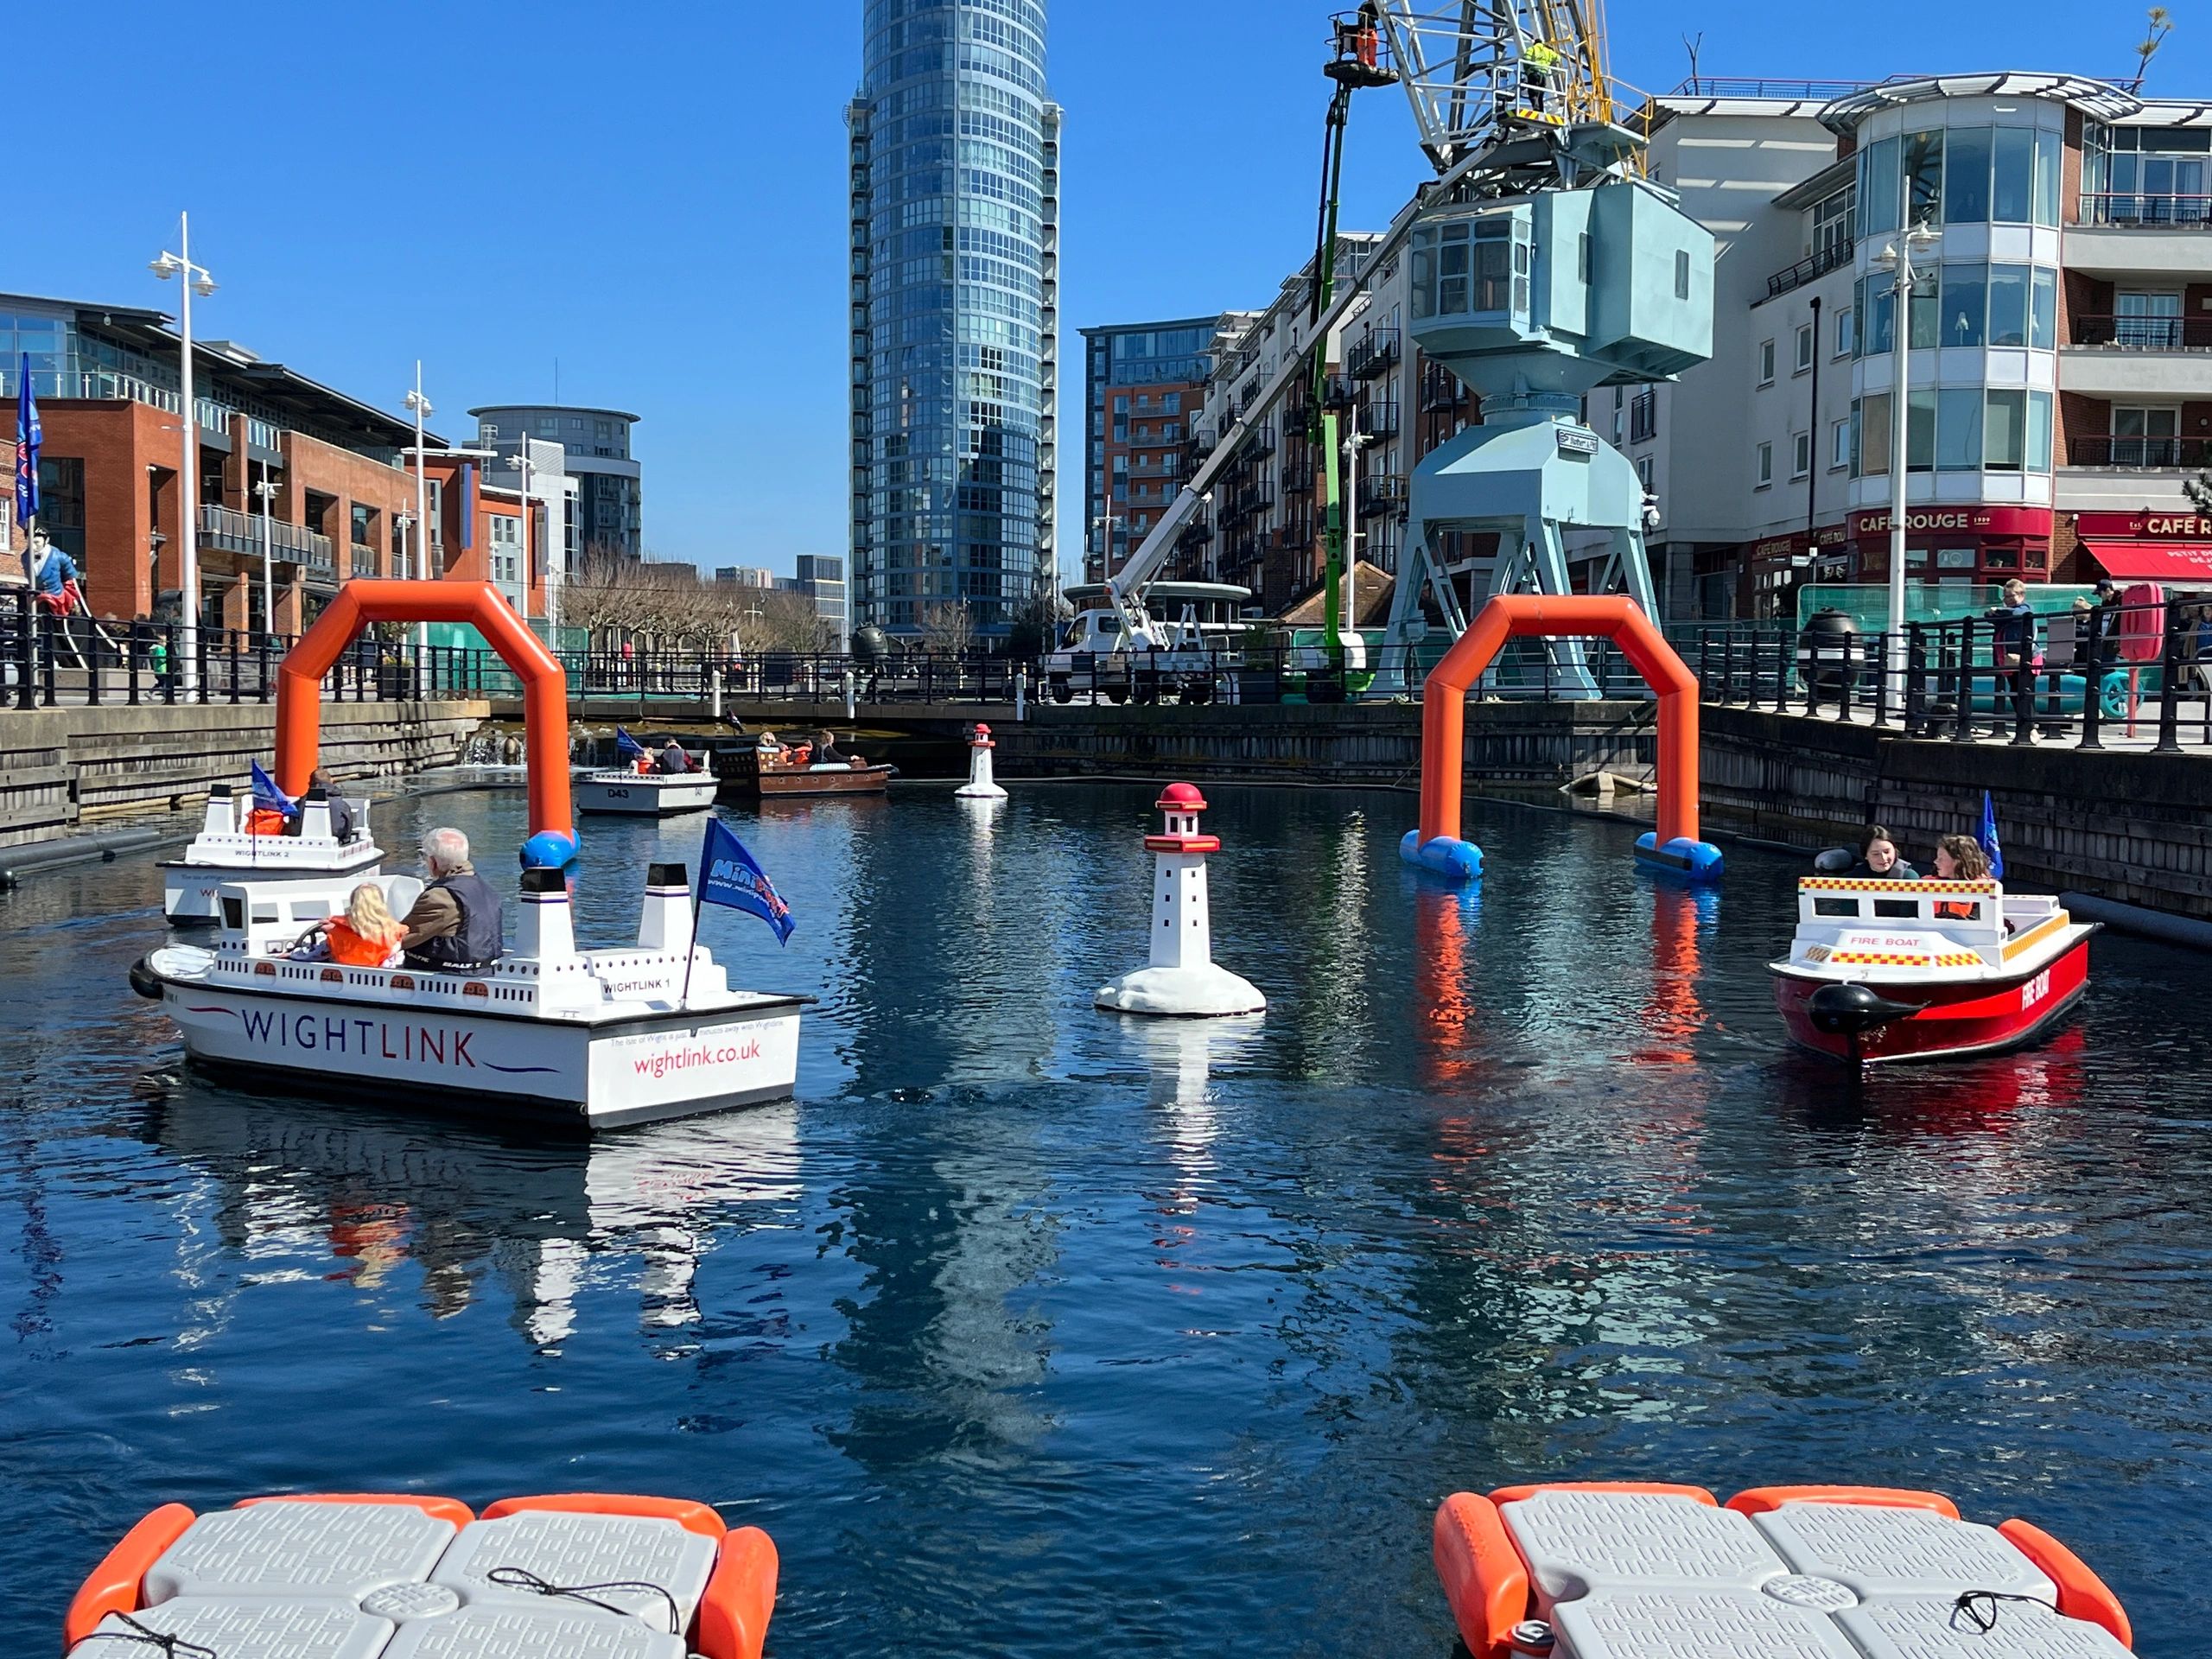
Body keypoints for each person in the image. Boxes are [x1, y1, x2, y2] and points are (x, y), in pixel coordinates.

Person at [398, 827, 504, 970]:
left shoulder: (440, 898)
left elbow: (402, 937)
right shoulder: (486, 890)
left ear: (433, 862)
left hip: (441, 981)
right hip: (484, 974)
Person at [1985, 577, 2037, 745]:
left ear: (2021, 595)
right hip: (2009, 659)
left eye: (2011, 596)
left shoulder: (2026, 608)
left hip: (2025, 658)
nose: (2008, 600)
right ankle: (2027, 728)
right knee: (2016, 693)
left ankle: (2030, 729)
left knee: (2023, 693)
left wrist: (1997, 611)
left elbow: (2018, 614)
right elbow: (1988, 617)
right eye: (2005, 597)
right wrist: (1994, 612)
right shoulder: (2006, 612)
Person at [321, 882, 408, 967]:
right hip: (378, 979)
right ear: (381, 904)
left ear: (353, 904)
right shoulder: (394, 934)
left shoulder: (336, 933)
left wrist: (334, 929)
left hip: (343, 978)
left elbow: (314, 956)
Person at [285, 768, 355, 842]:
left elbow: (293, 828)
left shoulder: (298, 805)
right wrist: (345, 840)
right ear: (331, 782)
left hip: (303, 843)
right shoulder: (342, 805)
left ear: (310, 783)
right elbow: (348, 828)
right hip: (335, 841)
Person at [1841, 825, 1917, 882]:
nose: (1883, 858)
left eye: (1887, 852)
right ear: (1866, 856)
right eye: (1875, 854)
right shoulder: (1853, 878)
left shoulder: (1908, 878)